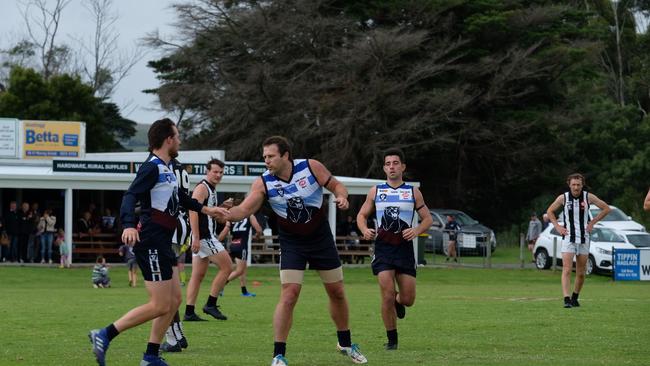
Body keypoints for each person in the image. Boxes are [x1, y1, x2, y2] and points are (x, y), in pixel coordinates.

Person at [221, 136, 368, 366]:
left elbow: (337, 185)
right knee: (289, 294)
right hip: (292, 243)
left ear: (285, 155)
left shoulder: (311, 167)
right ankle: (278, 355)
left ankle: (346, 343)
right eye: (264, 157)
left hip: (320, 239)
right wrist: (227, 214)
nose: (266, 161)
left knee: (337, 291)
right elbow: (245, 208)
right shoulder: (263, 182)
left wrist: (341, 196)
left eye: (270, 156)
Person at [88, 118, 222, 366]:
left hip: (163, 241)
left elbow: (181, 198)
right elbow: (130, 195)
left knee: (174, 301)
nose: (180, 141)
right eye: (178, 136)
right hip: (150, 240)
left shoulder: (166, 167)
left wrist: (207, 210)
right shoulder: (151, 167)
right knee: (160, 304)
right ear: (168, 139)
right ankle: (104, 334)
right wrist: (128, 224)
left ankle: (151, 356)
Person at [356, 148, 433, 351]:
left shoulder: (412, 192)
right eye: (388, 163)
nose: (392, 167)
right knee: (387, 295)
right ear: (384, 168)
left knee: (408, 299)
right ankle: (392, 340)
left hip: (404, 249)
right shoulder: (376, 191)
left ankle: (399, 302)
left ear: (403, 167)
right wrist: (364, 230)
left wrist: (416, 230)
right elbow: (361, 215)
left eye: (395, 163)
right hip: (383, 249)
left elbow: (428, 219)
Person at [546, 173, 610, 308]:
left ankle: (575, 297)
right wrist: (557, 226)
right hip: (568, 237)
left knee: (581, 273)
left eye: (578, 185)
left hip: (584, 237)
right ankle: (566, 299)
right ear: (569, 185)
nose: (576, 187)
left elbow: (606, 208)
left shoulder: (588, 197)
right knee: (567, 269)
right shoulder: (563, 198)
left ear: (582, 185)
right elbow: (550, 211)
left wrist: (593, 222)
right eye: (573, 185)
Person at [183, 158, 233, 322]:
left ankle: (189, 312)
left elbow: (208, 213)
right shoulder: (202, 188)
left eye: (221, 172)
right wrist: (196, 237)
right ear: (207, 172)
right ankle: (211, 304)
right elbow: (193, 211)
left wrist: (222, 207)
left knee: (197, 276)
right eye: (215, 172)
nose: (218, 175)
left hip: (203, 237)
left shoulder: (211, 189)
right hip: (204, 237)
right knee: (227, 267)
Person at [160, 158, 193, 353]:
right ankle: (178, 334)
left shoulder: (165, 167)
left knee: (166, 289)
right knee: (170, 287)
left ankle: (172, 337)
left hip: (170, 226)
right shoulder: (183, 169)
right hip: (181, 226)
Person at [224, 203, 264, 297]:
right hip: (241, 246)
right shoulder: (249, 215)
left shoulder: (232, 216)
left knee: (242, 269)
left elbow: (227, 228)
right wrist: (257, 236)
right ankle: (221, 284)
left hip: (233, 244)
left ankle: (244, 291)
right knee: (240, 271)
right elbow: (258, 230)